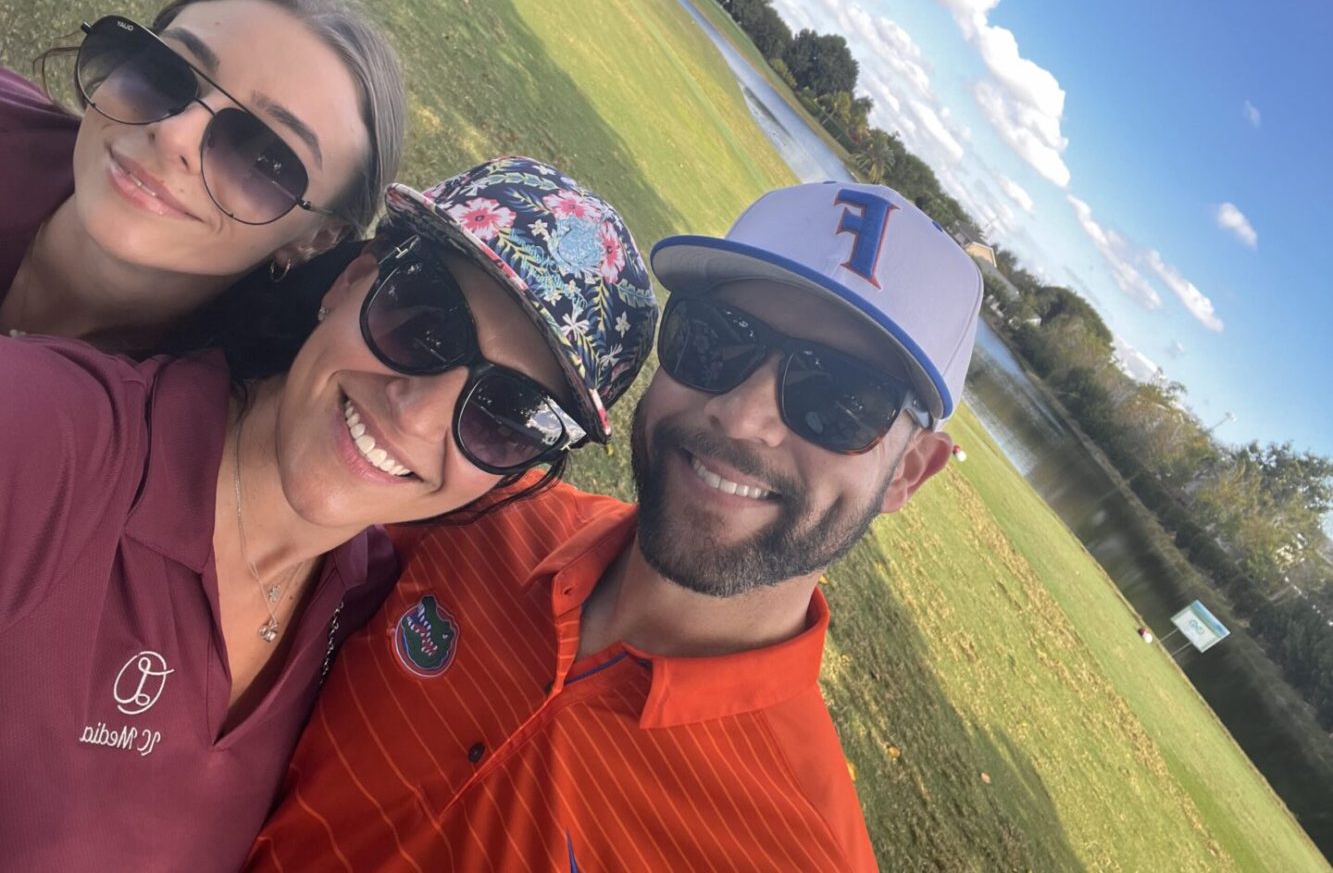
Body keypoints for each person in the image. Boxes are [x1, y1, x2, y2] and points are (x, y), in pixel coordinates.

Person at [249, 180, 984, 870]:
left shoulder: (800, 849)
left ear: (911, 471)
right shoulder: (474, 511)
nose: (742, 415)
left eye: (841, 397)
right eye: (715, 339)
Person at [0, 156, 658, 873]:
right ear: (350, 282)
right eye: (424, 324)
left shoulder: (365, 614)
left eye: (508, 413)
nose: (418, 413)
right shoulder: (40, 438)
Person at [0, 0, 404, 351]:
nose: (174, 135)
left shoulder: (215, 413)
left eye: (268, 157)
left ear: (318, 239)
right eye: (166, 74)